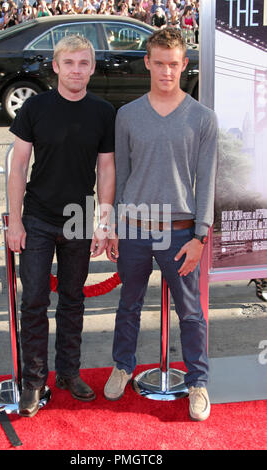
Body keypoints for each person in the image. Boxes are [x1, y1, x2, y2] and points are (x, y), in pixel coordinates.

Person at [104, 27, 218, 422]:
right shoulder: (128, 115)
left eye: (174, 64)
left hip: (181, 229)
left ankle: (198, 382)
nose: (166, 72)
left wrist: (201, 236)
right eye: (159, 64)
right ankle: (123, 365)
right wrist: (114, 223)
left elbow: (208, 180)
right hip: (134, 227)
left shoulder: (202, 118)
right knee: (129, 305)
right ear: (148, 63)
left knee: (190, 312)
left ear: (184, 64)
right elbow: (121, 171)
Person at [8, 35, 116, 418]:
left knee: (73, 300)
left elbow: (106, 169)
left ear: (91, 67)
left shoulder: (103, 112)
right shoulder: (35, 108)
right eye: (68, 62)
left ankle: (69, 373)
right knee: (34, 301)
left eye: (83, 63)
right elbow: (18, 165)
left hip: (80, 218)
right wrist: (15, 220)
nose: (76, 70)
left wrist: (104, 222)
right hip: (37, 217)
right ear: (55, 66)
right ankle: (33, 381)